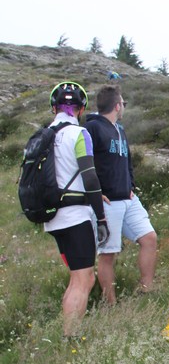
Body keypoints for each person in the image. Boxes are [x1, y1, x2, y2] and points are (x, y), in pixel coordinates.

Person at [43, 82, 110, 337]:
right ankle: (70, 338)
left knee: (77, 277)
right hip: (75, 216)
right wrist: (101, 218)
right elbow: (90, 178)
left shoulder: (45, 135)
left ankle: (68, 332)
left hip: (53, 217)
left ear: (54, 108)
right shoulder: (79, 134)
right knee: (84, 279)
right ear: (81, 109)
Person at [84, 85, 157, 303]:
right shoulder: (92, 128)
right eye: (122, 103)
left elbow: (127, 161)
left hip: (128, 198)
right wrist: (94, 194)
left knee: (149, 238)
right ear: (117, 106)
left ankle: (146, 290)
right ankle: (110, 304)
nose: (123, 107)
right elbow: (83, 163)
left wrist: (131, 185)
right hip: (107, 202)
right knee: (108, 254)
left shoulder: (120, 129)